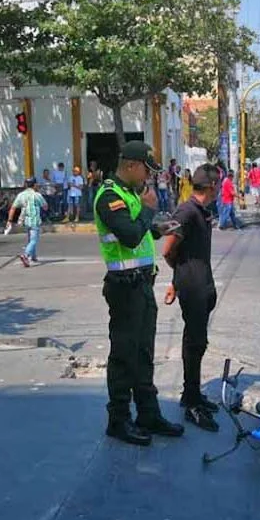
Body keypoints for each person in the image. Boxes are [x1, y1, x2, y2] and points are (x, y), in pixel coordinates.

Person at [95, 140, 183, 445]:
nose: (149, 176)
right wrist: (148, 211)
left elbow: (140, 231)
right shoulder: (109, 196)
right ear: (131, 166)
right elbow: (130, 236)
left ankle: (148, 413)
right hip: (124, 288)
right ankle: (118, 420)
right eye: (146, 170)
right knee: (124, 355)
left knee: (144, 353)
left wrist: (159, 229)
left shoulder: (131, 193)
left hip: (142, 284)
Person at [162, 164, 221, 432]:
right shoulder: (186, 211)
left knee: (199, 341)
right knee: (194, 342)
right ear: (211, 186)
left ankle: (193, 394)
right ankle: (191, 402)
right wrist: (180, 278)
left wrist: (176, 281)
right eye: (218, 184)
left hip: (201, 282)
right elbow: (168, 249)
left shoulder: (202, 211)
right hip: (193, 286)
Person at [7, 177, 48, 267]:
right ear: (35, 185)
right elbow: (45, 207)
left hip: (26, 221)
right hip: (35, 220)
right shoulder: (37, 195)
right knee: (34, 240)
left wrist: (9, 220)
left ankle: (33, 256)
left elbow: (13, 208)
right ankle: (25, 255)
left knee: (30, 239)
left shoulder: (21, 195)